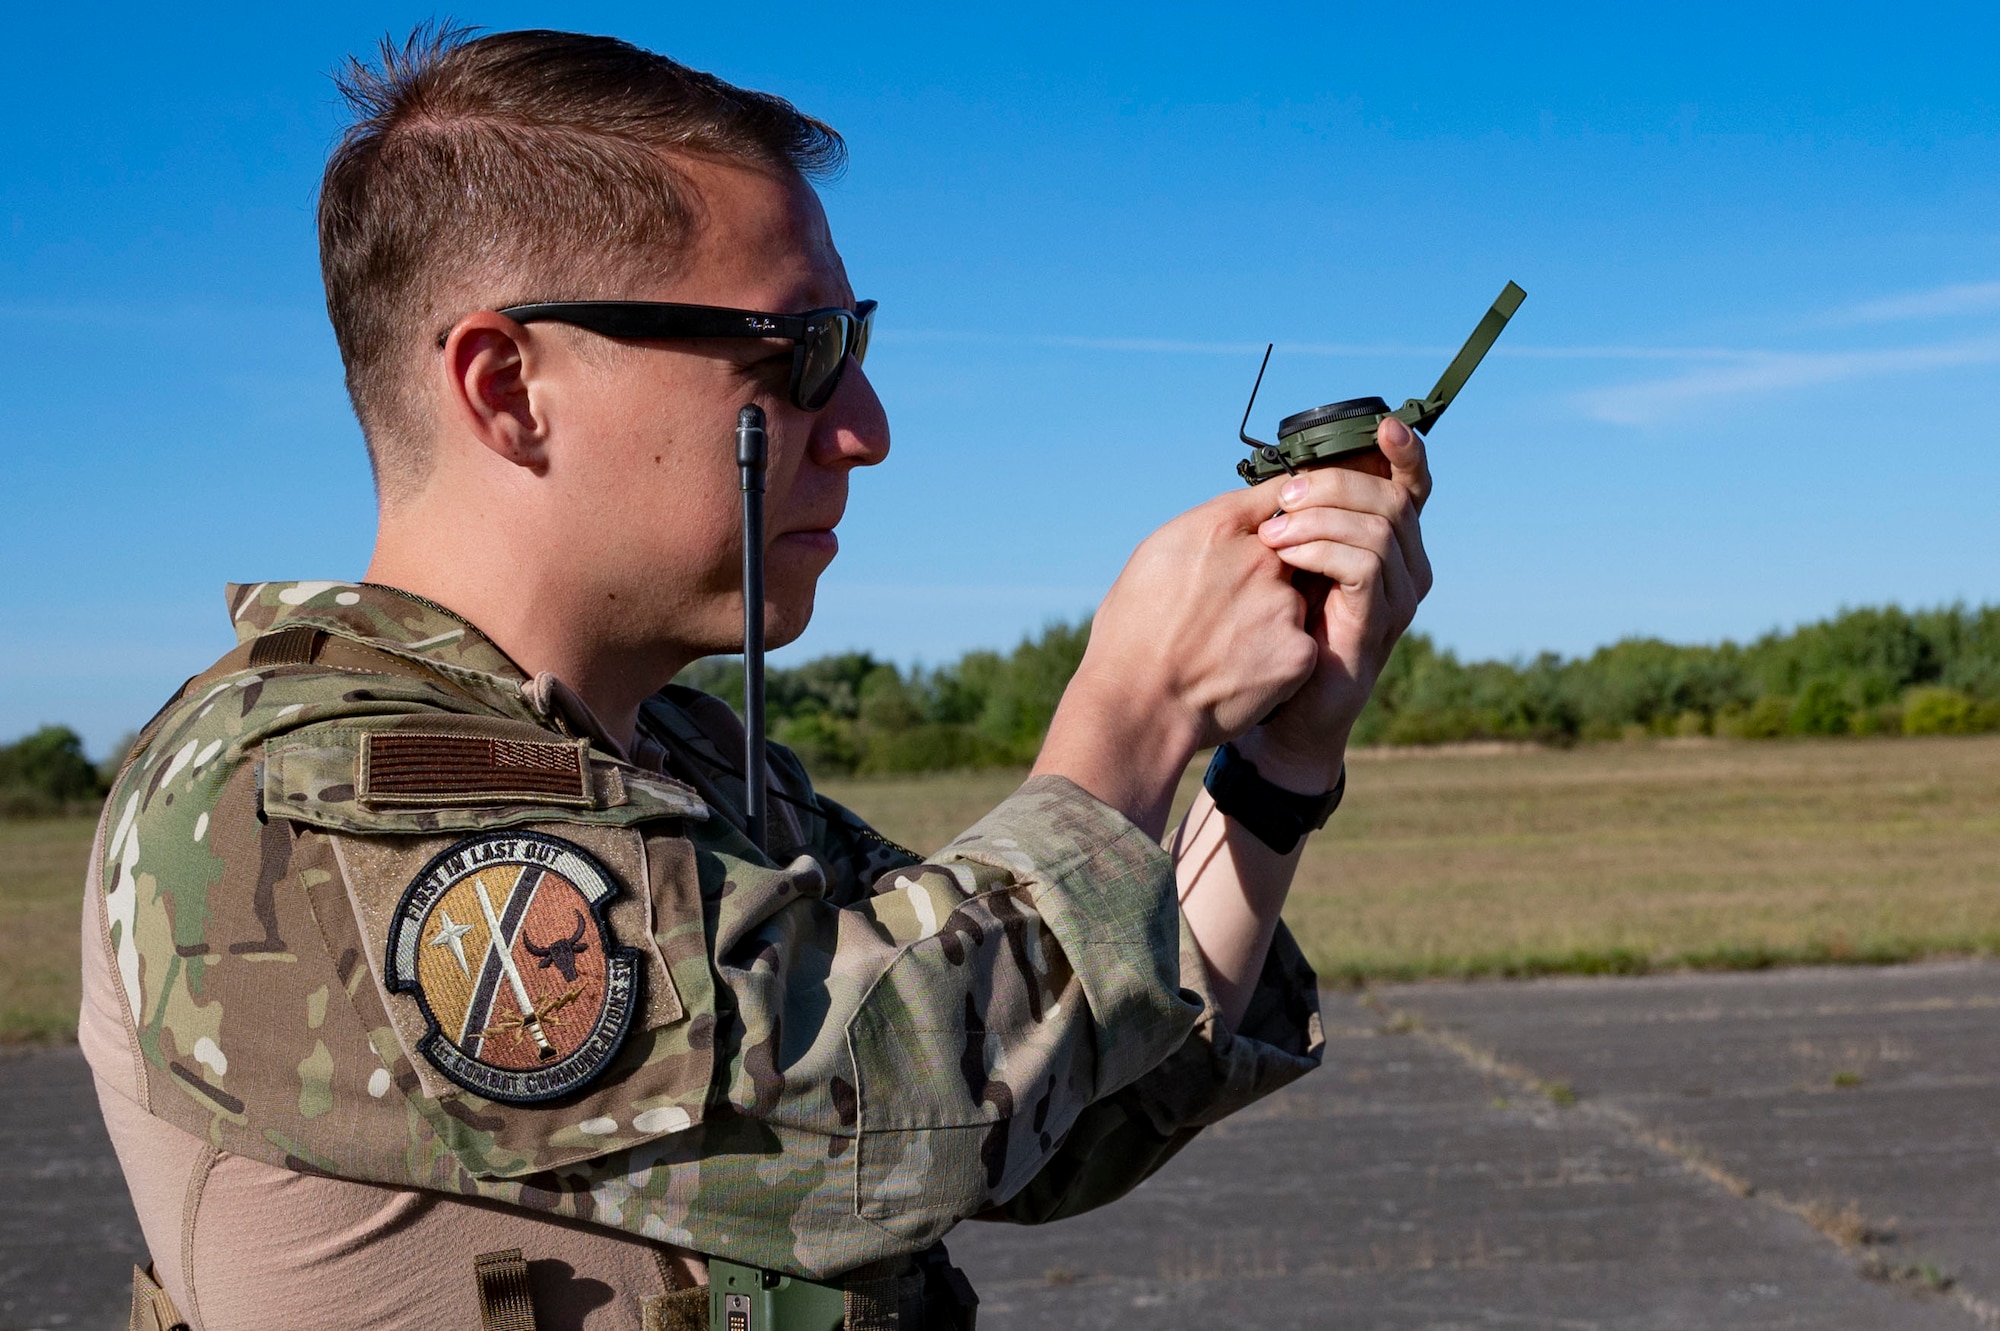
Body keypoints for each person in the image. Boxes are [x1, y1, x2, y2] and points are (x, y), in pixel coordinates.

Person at [81, 26, 1433, 1331]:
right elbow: (890, 1121)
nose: (865, 430)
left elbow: (1060, 1096)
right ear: (507, 388)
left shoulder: (666, 755)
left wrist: (1273, 768)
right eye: (798, 354)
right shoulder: (300, 800)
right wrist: (1132, 717)